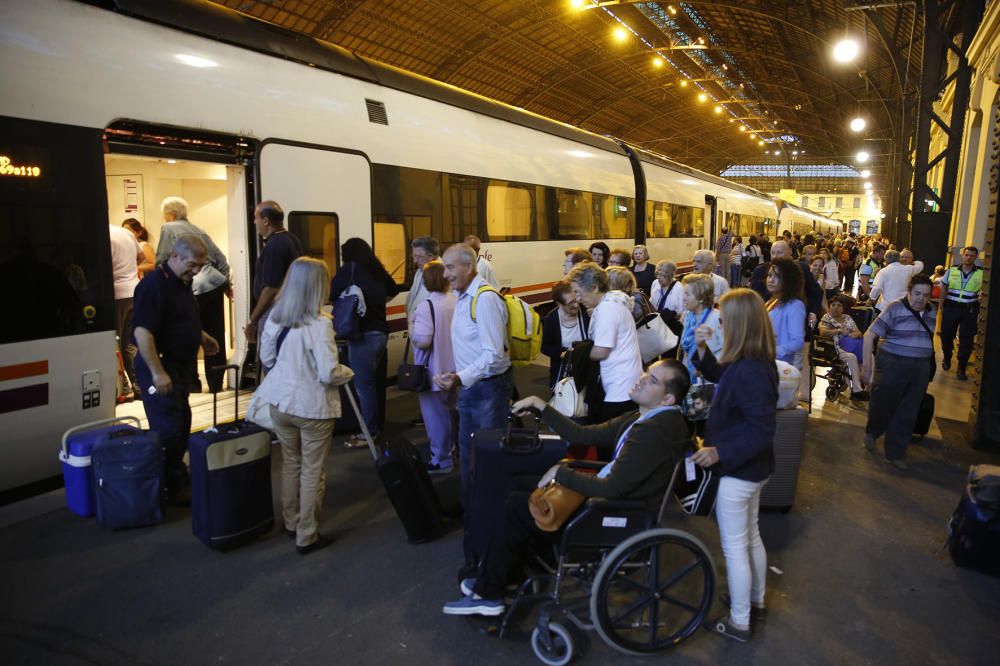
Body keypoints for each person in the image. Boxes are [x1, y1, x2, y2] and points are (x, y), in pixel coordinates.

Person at [442, 360, 692, 617]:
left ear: (668, 398)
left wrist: (563, 474)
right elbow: (584, 435)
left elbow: (613, 488)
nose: (641, 378)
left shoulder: (653, 430)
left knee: (518, 504)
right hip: (609, 500)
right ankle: (506, 574)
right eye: (646, 372)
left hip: (611, 514)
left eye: (652, 380)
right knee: (518, 486)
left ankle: (489, 593)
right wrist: (541, 406)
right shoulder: (645, 417)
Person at [690, 288, 778, 643]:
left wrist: (719, 452)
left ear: (741, 324)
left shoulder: (751, 371)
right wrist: (701, 349)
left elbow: (761, 430)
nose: (721, 327)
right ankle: (753, 602)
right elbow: (719, 373)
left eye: (725, 322)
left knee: (734, 547)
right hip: (754, 469)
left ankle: (740, 621)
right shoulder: (752, 361)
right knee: (751, 537)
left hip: (740, 471)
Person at [255, 257, 344, 554]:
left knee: (290, 463)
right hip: (312, 407)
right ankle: (307, 534)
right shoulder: (320, 325)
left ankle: (291, 520)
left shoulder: (275, 317)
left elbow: (267, 359)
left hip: (280, 403)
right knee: (312, 471)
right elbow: (328, 372)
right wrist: (348, 372)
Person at [132, 234, 220, 505]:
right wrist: (158, 373)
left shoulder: (182, 283)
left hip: (179, 366)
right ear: (175, 256)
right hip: (160, 365)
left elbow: (179, 318)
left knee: (182, 422)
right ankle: (171, 485)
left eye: (199, 265)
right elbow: (143, 332)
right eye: (192, 264)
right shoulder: (153, 286)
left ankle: (178, 478)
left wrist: (201, 336)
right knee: (168, 427)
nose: (196, 270)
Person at [434, 244, 512, 499]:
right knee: (470, 452)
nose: (446, 275)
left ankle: (489, 514)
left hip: (488, 389)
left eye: (450, 267)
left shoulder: (485, 299)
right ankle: (475, 512)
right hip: (472, 387)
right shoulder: (463, 296)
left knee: (486, 454)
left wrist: (458, 377)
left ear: (468, 267)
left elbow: (493, 355)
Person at [155, 197, 232, 393]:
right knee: (215, 334)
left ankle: (192, 383)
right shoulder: (199, 230)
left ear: (170, 214)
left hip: (192, 288)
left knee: (189, 332)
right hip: (214, 285)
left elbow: (163, 258)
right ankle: (216, 383)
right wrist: (225, 283)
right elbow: (222, 260)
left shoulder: (168, 228)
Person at [861, 275, 936, 470]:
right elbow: (870, 334)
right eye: (917, 293)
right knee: (882, 403)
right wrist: (867, 366)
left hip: (920, 367)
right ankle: (873, 431)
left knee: (908, 411)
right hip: (892, 363)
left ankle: (895, 452)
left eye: (925, 295)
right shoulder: (895, 307)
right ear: (909, 292)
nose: (920, 299)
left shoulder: (932, 312)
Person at [330, 238, 400, 447]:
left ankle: (368, 432)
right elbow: (393, 289)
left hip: (362, 335)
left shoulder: (349, 270)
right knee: (372, 383)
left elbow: (332, 295)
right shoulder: (376, 269)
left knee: (364, 386)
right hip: (380, 333)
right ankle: (375, 424)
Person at [568, 262, 642, 421]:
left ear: (594, 287)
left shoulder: (607, 309)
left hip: (620, 387)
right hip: (627, 382)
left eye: (579, 293)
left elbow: (601, 351)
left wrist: (578, 353)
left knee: (608, 439)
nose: (578, 299)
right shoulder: (615, 301)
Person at [410, 260, 458, 474]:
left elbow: (423, 340)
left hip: (433, 372)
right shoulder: (455, 301)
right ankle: (454, 450)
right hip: (456, 369)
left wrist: (411, 327)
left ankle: (441, 459)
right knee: (452, 414)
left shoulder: (426, 306)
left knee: (435, 418)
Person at [245, 200, 303, 345]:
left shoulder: (274, 245)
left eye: (256, 218)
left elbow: (271, 288)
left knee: (270, 358)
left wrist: (253, 320)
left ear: (265, 221)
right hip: (289, 311)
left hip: (275, 313)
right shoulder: (292, 239)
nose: (254, 222)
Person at [938, 246, 983, 381]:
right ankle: (947, 357)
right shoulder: (951, 270)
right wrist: (941, 303)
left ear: (975, 257)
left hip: (969, 309)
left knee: (966, 339)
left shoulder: (981, 273)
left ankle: (961, 367)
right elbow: (944, 286)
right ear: (963, 256)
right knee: (946, 335)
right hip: (951, 307)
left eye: (972, 255)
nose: (968, 257)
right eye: (967, 255)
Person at [108, 223, 142, 402]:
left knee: (115, 343)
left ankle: (124, 389)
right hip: (134, 291)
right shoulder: (126, 233)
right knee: (130, 344)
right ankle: (139, 387)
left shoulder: (104, 235)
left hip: (116, 294)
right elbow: (141, 256)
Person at [541, 281, 590, 389]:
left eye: (576, 300)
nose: (576, 305)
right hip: (563, 372)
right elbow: (545, 347)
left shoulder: (586, 313)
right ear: (559, 304)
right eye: (571, 303)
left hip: (586, 369)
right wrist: (563, 352)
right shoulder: (551, 319)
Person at [818, 295, 868, 401]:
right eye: (833, 305)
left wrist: (856, 334)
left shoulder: (847, 317)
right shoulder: (826, 317)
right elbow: (822, 332)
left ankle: (870, 384)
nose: (836, 307)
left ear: (843, 308)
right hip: (834, 348)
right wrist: (838, 331)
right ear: (829, 306)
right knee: (851, 357)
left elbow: (859, 332)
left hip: (851, 345)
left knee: (870, 355)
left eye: (839, 305)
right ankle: (856, 390)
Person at [678, 273, 723, 380]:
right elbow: (685, 350)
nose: (683, 298)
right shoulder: (688, 316)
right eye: (683, 293)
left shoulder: (717, 318)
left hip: (709, 378)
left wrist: (705, 367)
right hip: (689, 375)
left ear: (701, 298)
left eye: (687, 294)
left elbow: (725, 351)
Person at [764, 258, 807, 370]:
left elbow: (797, 341)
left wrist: (773, 351)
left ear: (788, 280)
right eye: (769, 275)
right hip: (765, 362)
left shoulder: (795, 305)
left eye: (777, 276)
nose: (771, 280)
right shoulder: (772, 300)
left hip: (780, 365)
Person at [869, 249, 924, 313]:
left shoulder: (883, 271)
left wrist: (871, 299)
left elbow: (877, 288)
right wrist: (914, 263)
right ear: (899, 259)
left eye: (906, 257)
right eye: (902, 257)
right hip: (903, 307)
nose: (904, 259)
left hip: (886, 307)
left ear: (886, 260)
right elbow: (920, 265)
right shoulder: (910, 269)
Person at [405, 236, 441, 323]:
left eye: (418, 257)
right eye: (413, 256)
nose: (414, 261)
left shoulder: (443, 274)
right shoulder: (419, 271)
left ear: (430, 256)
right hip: (415, 327)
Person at [650, 260, 684, 335]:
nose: (658, 277)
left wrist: (669, 315)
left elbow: (682, 312)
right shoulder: (655, 283)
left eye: (662, 275)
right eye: (657, 274)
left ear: (670, 275)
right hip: (656, 323)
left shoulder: (679, 288)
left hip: (671, 326)